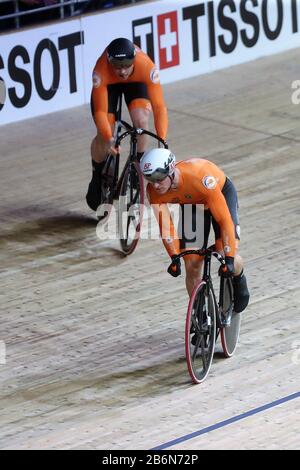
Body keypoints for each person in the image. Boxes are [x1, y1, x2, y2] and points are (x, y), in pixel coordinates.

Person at [140, 148, 250, 314]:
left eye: (159, 178)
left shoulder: (200, 177)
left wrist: (228, 257)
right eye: (149, 178)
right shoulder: (154, 191)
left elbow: (224, 220)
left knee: (224, 252)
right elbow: (165, 225)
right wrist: (174, 256)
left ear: (170, 172)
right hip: (193, 206)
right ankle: (199, 313)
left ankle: (239, 276)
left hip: (219, 195)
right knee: (191, 264)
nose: (155, 185)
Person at [87, 37, 168, 211]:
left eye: (126, 66)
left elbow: (159, 107)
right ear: (110, 62)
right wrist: (108, 138)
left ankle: (136, 165)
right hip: (109, 87)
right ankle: (97, 174)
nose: (122, 72)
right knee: (105, 132)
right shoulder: (101, 70)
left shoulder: (146, 66)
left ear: (134, 61)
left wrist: (162, 139)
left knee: (141, 121)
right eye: (117, 67)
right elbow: (100, 112)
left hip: (136, 83)